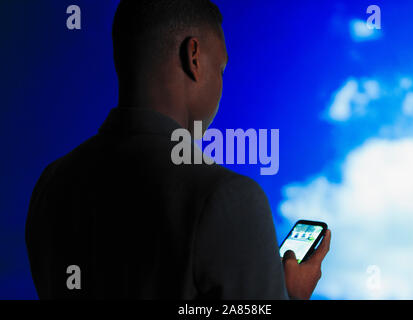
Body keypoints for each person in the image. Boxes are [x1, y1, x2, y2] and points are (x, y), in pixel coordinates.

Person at [25, 0, 330, 299]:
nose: (222, 83)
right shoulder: (229, 198)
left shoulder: (51, 183)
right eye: (221, 68)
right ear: (193, 57)